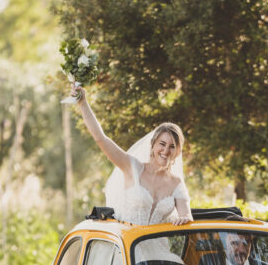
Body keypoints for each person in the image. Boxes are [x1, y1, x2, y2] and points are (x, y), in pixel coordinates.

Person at [72, 85, 192, 226]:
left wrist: (185, 219)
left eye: (172, 147)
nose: (166, 151)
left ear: (177, 152)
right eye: (162, 144)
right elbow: (100, 138)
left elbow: (186, 216)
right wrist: (83, 103)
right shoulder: (132, 167)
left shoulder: (177, 183)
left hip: (158, 248)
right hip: (126, 244)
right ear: (153, 145)